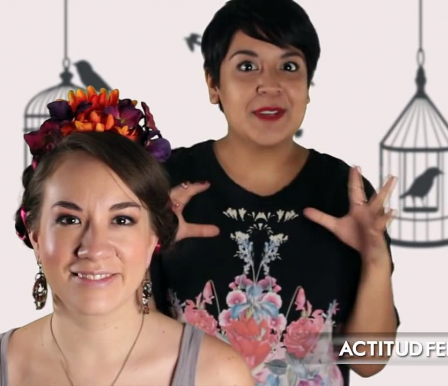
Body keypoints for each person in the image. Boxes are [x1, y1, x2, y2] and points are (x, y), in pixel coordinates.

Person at [149, 0, 401, 385]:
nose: (270, 84)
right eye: (247, 66)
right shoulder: (167, 183)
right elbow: (128, 342)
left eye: (289, 66)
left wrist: (376, 262)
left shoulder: (344, 194)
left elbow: (368, 362)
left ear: (308, 85)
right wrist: (141, 245)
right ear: (213, 84)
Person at [0, 88, 254, 386]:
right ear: (36, 235)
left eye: (121, 220)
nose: (94, 248)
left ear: (153, 236)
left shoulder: (216, 375)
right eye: (69, 219)